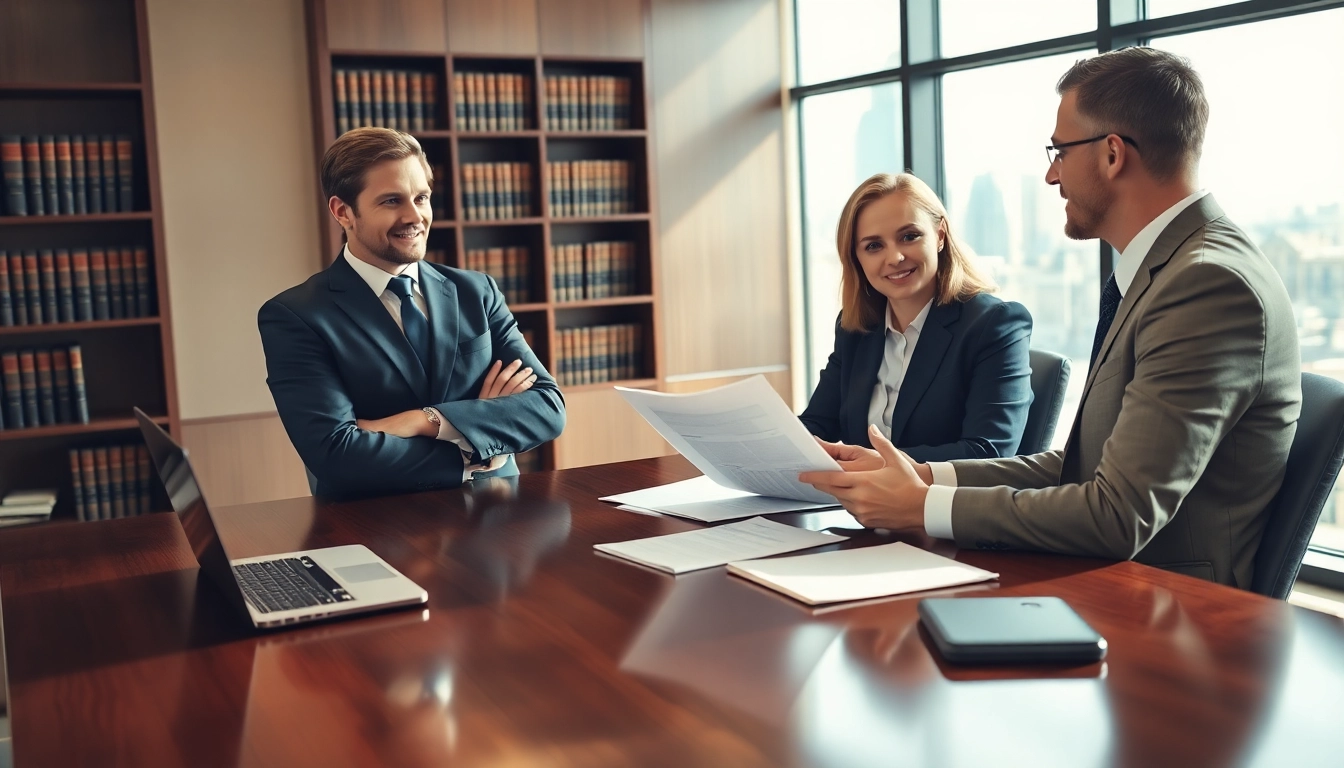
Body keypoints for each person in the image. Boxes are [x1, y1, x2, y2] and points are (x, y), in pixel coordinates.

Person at [801, 47, 1301, 588]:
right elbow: (1080, 466)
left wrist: (923, 507)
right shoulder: (1167, 271)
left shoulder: (1204, 284)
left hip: (1171, 607)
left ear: (1112, 154)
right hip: (1114, 581)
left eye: (1060, 151)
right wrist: (920, 477)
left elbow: (1116, 515)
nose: (1050, 174)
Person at [259, 127, 564, 498]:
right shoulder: (296, 316)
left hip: (497, 516)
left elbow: (547, 408)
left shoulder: (476, 291)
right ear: (343, 212)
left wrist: (423, 421)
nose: (414, 216)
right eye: (391, 201)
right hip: (374, 527)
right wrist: (475, 447)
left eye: (421, 198)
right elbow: (336, 453)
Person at [799, 172, 1033, 462]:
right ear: (856, 259)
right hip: (862, 505)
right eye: (874, 246)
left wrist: (881, 465)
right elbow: (817, 425)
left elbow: (988, 452)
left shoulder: (995, 325)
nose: (895, 257)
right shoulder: (856, 327)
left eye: (909, 237)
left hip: (942, 506)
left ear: (940, 235)